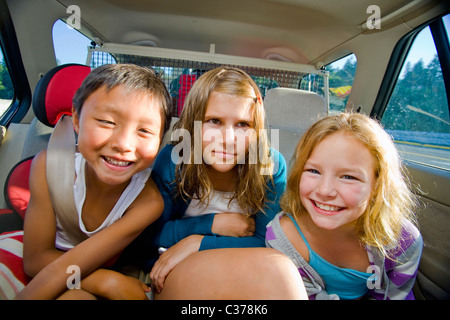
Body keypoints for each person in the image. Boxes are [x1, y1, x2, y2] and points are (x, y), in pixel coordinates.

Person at [147, 66, 307, 299]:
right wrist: (211, 225)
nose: (229, 140)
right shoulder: (175, 160)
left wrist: (200, 242)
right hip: (179, 271)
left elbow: (270, 243)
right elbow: (147, 237)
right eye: (214, 121)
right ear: (194, 123)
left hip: (245, 269)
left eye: (243, 124)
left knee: (280, 271)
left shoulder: (270, 166)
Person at [16, 64, 172, 300]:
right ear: (77, 120)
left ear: (160, 140)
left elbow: (71, 266)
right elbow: (36, 260)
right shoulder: (48, 166)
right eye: (107, 122)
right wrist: (106, 282)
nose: (123, 144)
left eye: (144, 131)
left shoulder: (148, 202)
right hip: (61, 271)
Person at [266, 112, 423, 300]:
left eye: (349, 177)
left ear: (377, 185)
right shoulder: (282, 238)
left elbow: (395, 295)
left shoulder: (403, 241)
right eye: (313, 171)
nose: (324, 190)